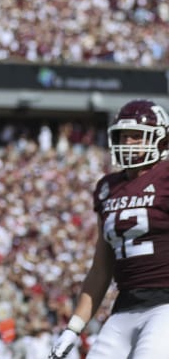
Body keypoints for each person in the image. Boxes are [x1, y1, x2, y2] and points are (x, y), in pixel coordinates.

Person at [49, 98, 169, 359]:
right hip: (126, 304)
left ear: (162, 139)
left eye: (138, 136)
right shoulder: (108, 187)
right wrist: (73, 328)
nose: (129, 143)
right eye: (124, 136)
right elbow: (101, 268)